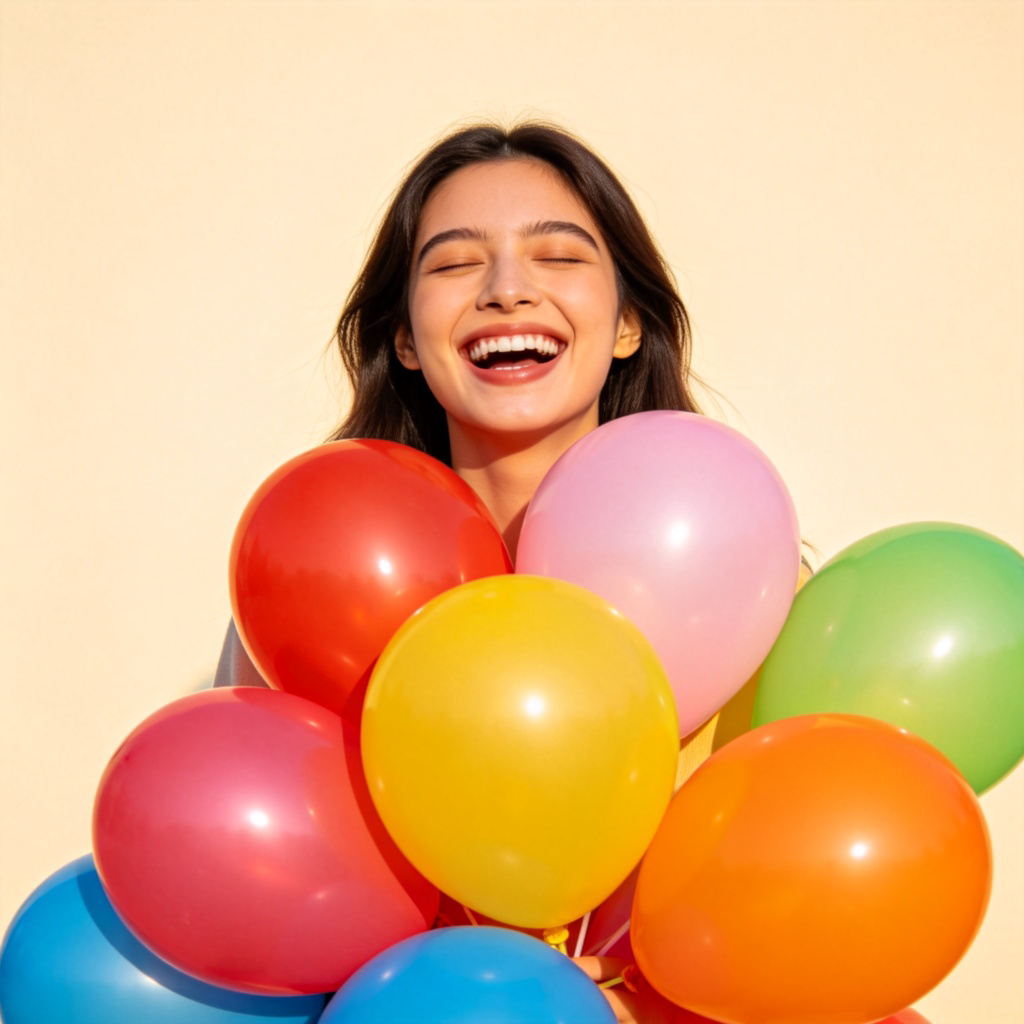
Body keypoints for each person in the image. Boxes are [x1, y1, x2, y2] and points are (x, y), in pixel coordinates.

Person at [217, 120, 752, 1022]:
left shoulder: (739, 579)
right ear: (405, 339)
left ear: (627, 323)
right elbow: (264, 898)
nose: (507, 290)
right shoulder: (314, 595)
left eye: (559, 256)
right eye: (457, 263)